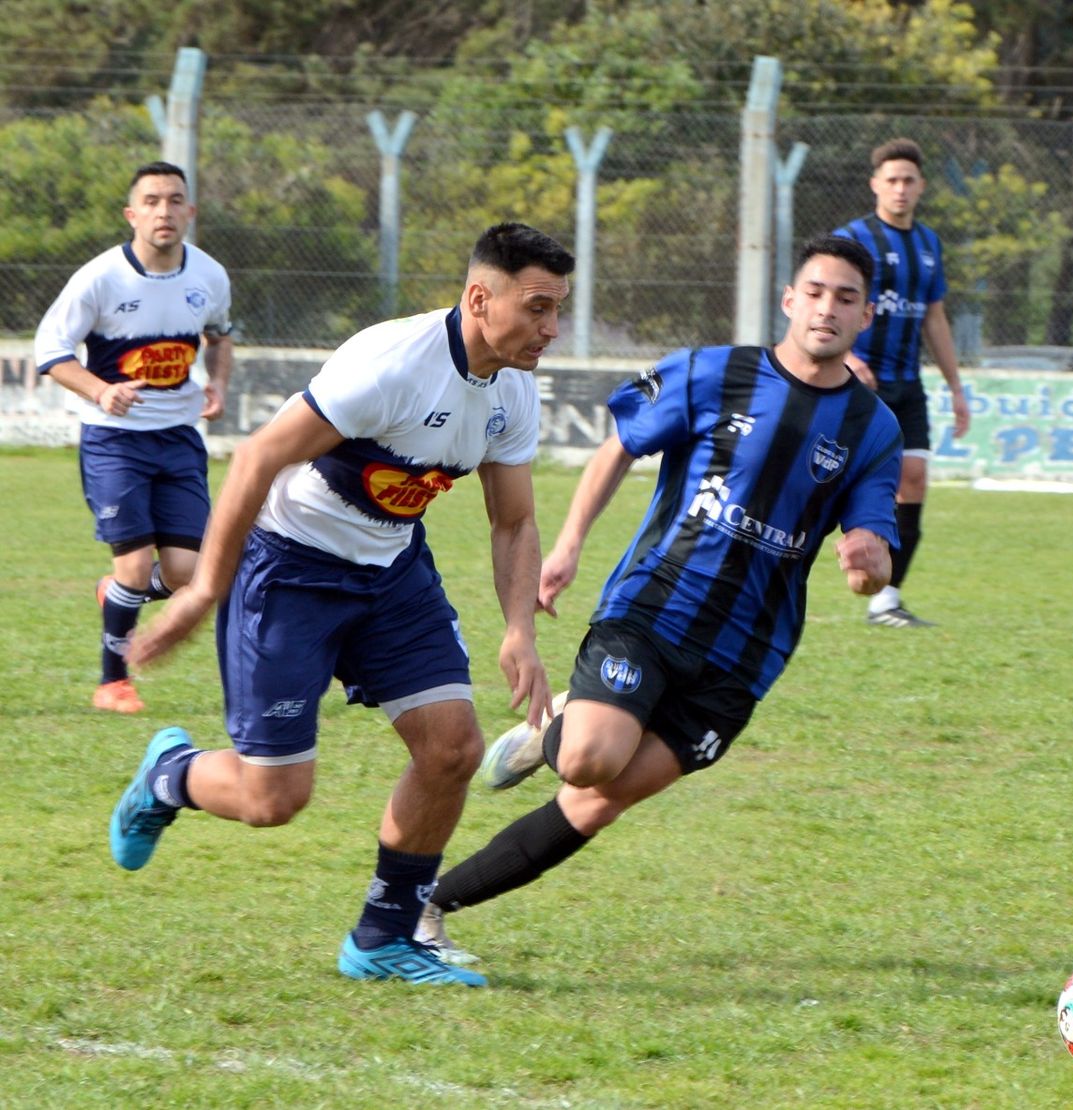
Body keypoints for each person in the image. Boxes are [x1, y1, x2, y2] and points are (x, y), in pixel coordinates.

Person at [109, 222, 574, 988]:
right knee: (273, 798)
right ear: (479, 297)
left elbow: (514, 519)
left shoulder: (513, 391)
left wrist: (519, 629)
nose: (550, 330)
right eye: (537, 309)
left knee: (452, 748)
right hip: (289, 570)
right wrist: (203, 591)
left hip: (392, 569)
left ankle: (382, 939)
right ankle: (170, 775)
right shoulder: (391, 364)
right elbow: (259, 454)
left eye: (557, 310)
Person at [414, 235, 901, 964]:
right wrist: (571, 542)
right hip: (655, 608)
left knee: (600, 799)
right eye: (817, 292)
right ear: (790, 300)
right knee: (585, 759)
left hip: (746, 655)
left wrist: (867, 567)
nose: (828, 309)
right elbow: (621, 445)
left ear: (865, 318)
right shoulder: (717, 371)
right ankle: (555, 734)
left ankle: (429, 907)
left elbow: (874, 556)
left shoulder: (873, 429)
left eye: (847, 298)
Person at [33, 161, 234, 714]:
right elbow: (49, 352)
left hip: (179, 438)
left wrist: (215, 385)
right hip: (114, 440)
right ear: (132, 214)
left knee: (188, 574)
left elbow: (219, 338)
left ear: (190, 212)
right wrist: (101, 392)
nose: (163, 211)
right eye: (151, 201)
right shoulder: (100, 279)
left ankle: (120, 596)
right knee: (133, 564)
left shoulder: (210, 276)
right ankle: (113, 682)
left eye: (174, 200)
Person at [832, 138, 970, 628]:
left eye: (908, 180)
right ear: (875, 185)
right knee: (819, 482)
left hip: (906, 385)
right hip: (853, 384)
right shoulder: (853, 239)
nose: (900, 189)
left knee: (913, 481)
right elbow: (825, 301)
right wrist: (846, 353)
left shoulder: (929, 244)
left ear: (921, 187)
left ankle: (885, 601)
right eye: (891, 180)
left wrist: (955, 387)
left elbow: (934, 318)